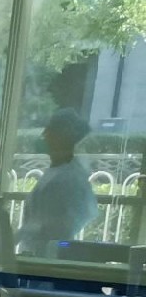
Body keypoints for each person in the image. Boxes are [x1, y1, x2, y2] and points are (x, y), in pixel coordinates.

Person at [17, 107, 98, 257]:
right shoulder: (56, 171)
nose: (44, 135)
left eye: (50, 131)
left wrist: (23, 234)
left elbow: (59, 224)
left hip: (48, 256)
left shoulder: (70, 177)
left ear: (63, 137)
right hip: (36, 253)